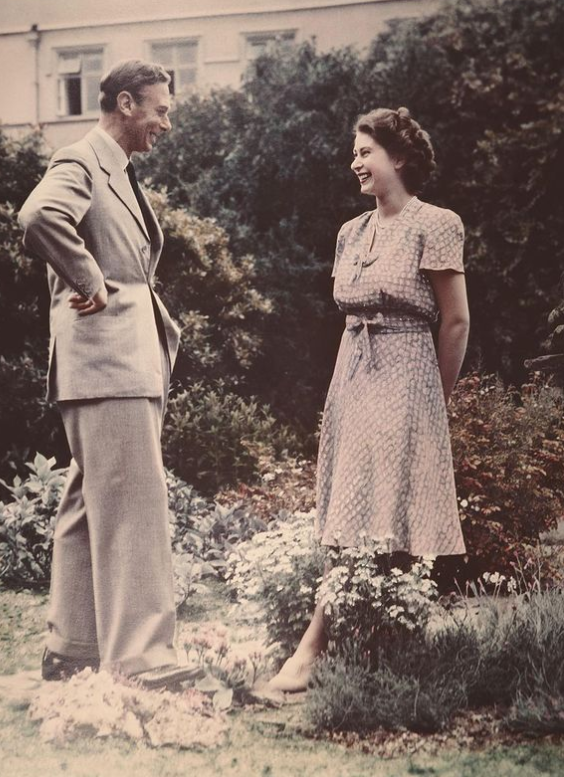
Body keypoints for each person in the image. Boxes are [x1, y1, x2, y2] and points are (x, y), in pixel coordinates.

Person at [268, 107, 470, 692]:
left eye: (365, 152)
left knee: (387, 507)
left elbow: (455, 323)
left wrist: (435, 398)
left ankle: (316, 647)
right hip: (352, 369)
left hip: (408, 371)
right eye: (354, 153)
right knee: (351, 505)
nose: (354, 162)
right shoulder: (350, 232)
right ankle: (376, 641)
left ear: (398, 158)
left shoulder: (438, 223)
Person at [18, 59, 195, 688]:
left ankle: (73, 648)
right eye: (160, 109)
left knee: (88, 504)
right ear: (126, 103)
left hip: (112, 363)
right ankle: (144, 659)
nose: (165, 123)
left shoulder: (116, 169)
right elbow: (38, 218)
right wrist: (89, 278)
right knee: (134, 508)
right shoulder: (81, 160)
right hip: (109, 363)